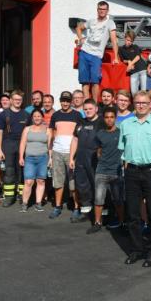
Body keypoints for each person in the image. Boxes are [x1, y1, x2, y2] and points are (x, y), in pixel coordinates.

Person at [119, 90, 151, 267]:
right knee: (132, 214)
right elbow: (123, 150)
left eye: (144, 103)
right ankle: (136, 249)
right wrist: (126, 172)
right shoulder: (126, 124)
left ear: (150, 104)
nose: (140, 105)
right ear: (134, 103)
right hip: (132, 172)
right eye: (138, 102)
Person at [87, 107, 126, 234]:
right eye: (107, 117)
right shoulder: (100, 134)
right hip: (102, 171)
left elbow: (126, 150)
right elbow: (98, 151)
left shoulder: (121, 133)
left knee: (118, 200)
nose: (109, 120)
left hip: (116, 172)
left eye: (112, 117)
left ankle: (122, 223)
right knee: (98, 199)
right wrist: (102, 160)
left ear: (115, 118)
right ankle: (98, 223)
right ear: (104, 119)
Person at [47, 91, 83, 219]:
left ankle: (76, 207)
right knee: (58, 181)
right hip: (57, 152)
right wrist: (50, 154)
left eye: (68, 101)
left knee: (73, 183)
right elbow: (51, 134)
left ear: (71, 101)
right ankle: (57, 207)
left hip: (71, 153)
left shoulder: (77, 115)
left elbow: (80, 135)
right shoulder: (55, 115)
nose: (65, 103)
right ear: (60, 101)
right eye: (63, 100)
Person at [75, 0, 119, 100]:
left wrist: (116, 57)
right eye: (100, 9)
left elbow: (114, 40)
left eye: (104, 9)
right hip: (84, 52)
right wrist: (81, 38)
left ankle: (94, 105)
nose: (102, 11)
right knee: (84, 81)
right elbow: (78, 27)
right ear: (97, 10)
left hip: (96, 55)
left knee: (95, 81)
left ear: (107, 11)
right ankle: (86, 104)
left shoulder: (110, 23)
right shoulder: (91, 21)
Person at [70, 99, 103, 222]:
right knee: (82, 185)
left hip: (95, 160)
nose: (88, 111)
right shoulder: (81, 122)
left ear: (96, 109)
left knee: (98, 186)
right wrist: (71, 158)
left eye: (90, 108)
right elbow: (74, 140)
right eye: (86, 109)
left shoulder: (102, 123)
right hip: (80, 159)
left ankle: (102, 213)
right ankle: (86, 211)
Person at [0, 90, 29, 207]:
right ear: (10, 100)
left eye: (19, 100)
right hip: (8, 144)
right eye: (15, 99)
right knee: (9, 171)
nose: (17, 101)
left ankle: (21, 195)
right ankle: (9, 197)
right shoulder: (4, 114)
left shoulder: (26, 114)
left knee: (22, 171)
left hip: (22, 145)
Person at [18, 109, 51, 212]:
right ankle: (24, 203)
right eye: (35, 116)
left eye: (39, 116)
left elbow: (50, 146)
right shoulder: (27, 129)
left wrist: (50, 159)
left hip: (43, 158)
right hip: (29, 158)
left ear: (42, 117)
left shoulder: (47, 130)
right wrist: (21, 157)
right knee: (28, 181)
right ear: (32, 118)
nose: (37, 118)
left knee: (41, 181)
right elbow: (22, 143)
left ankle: (38, 203)